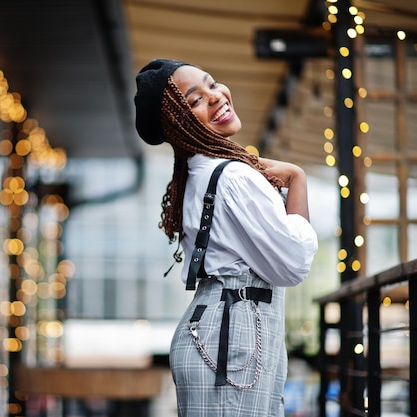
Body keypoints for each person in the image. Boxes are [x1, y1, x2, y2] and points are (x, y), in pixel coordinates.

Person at [134, 58, 318, 417]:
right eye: (195, 100)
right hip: (231, 343)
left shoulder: (198, 174)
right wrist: (297, 178)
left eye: (212, 83)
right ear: (178, 123)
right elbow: (294, 263)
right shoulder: (233, 176)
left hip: (224, 336)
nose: (216, 96)